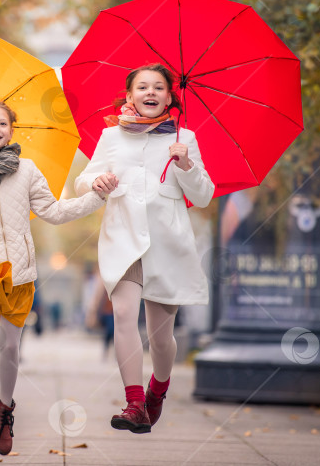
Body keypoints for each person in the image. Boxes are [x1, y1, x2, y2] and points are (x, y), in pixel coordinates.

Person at [0, 99, 104, 455]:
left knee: (12, 347)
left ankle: (5, 409)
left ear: (11, 130)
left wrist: (96, 197)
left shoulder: (26, 170)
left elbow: (53, 210)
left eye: (2, 123)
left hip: (18, 272)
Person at [75, 64, 214, 434]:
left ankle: (158, 388)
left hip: (167, 244)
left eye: (158, 87)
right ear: (130, 95)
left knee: (161, 336)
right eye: (142, 87)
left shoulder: (185, 138)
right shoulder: (111, 137)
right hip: (123, 239)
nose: (150, 93)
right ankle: (135, 402)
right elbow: (81, 180)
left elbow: (203, 195)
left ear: (170, 96)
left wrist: (185, 164)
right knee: (123, 315)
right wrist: (96, 180)